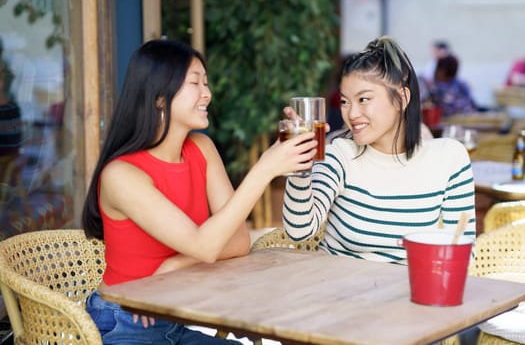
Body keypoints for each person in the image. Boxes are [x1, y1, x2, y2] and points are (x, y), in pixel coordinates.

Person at [82, 39, 317, 344]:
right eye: (195, 83)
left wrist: (174, 265)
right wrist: (264, 169)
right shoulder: (122, 175)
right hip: (125, 321)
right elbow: (206, 247)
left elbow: (238, 240)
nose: (207, 93)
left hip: (176, 316)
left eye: (205, 83)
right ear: (159, 97)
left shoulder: (201, 149)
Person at [282, 36, 476, 264]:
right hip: (338, 291)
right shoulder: (340, 154)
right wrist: (301, 167)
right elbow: (299, 231)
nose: (351, 114)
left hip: (412, 294)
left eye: (363, 99)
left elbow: (463, 252)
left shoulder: (449, 158)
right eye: (345, 102)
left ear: (402, 98)